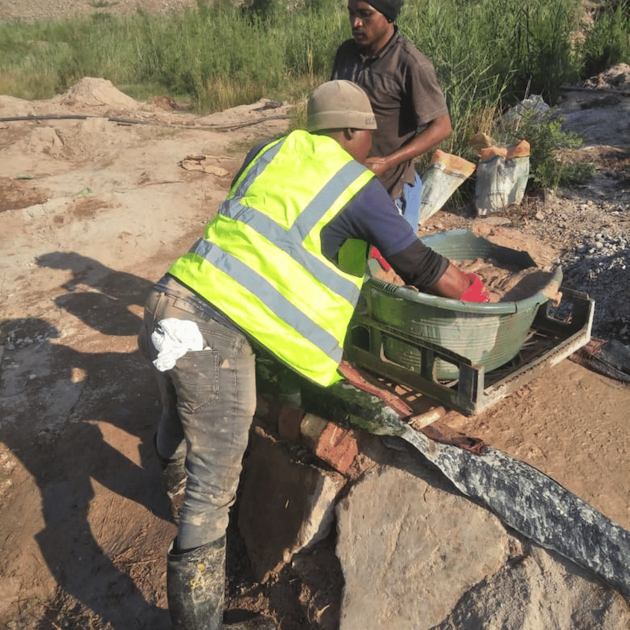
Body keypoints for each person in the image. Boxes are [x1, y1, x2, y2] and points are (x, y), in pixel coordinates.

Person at [137, 80, 488, 630]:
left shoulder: (269, 151)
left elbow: (270, 232)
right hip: (213, 333)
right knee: (213, 491)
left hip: (169, 299)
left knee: (173, 413)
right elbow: (421, 267)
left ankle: (169, 487)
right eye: (368, 137)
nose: (371, 150)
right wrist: (477, 295)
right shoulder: (354, 183)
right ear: (349, 130)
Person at [331, 0, 451, 231]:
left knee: (394, 263)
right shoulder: (346, 53)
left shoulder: (410, 63)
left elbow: (442, 126)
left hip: (390, 190)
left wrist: (387, 162)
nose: (356, 23)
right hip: (345, 185)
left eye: (365, 15)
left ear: (388, 16)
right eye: (352, 14)